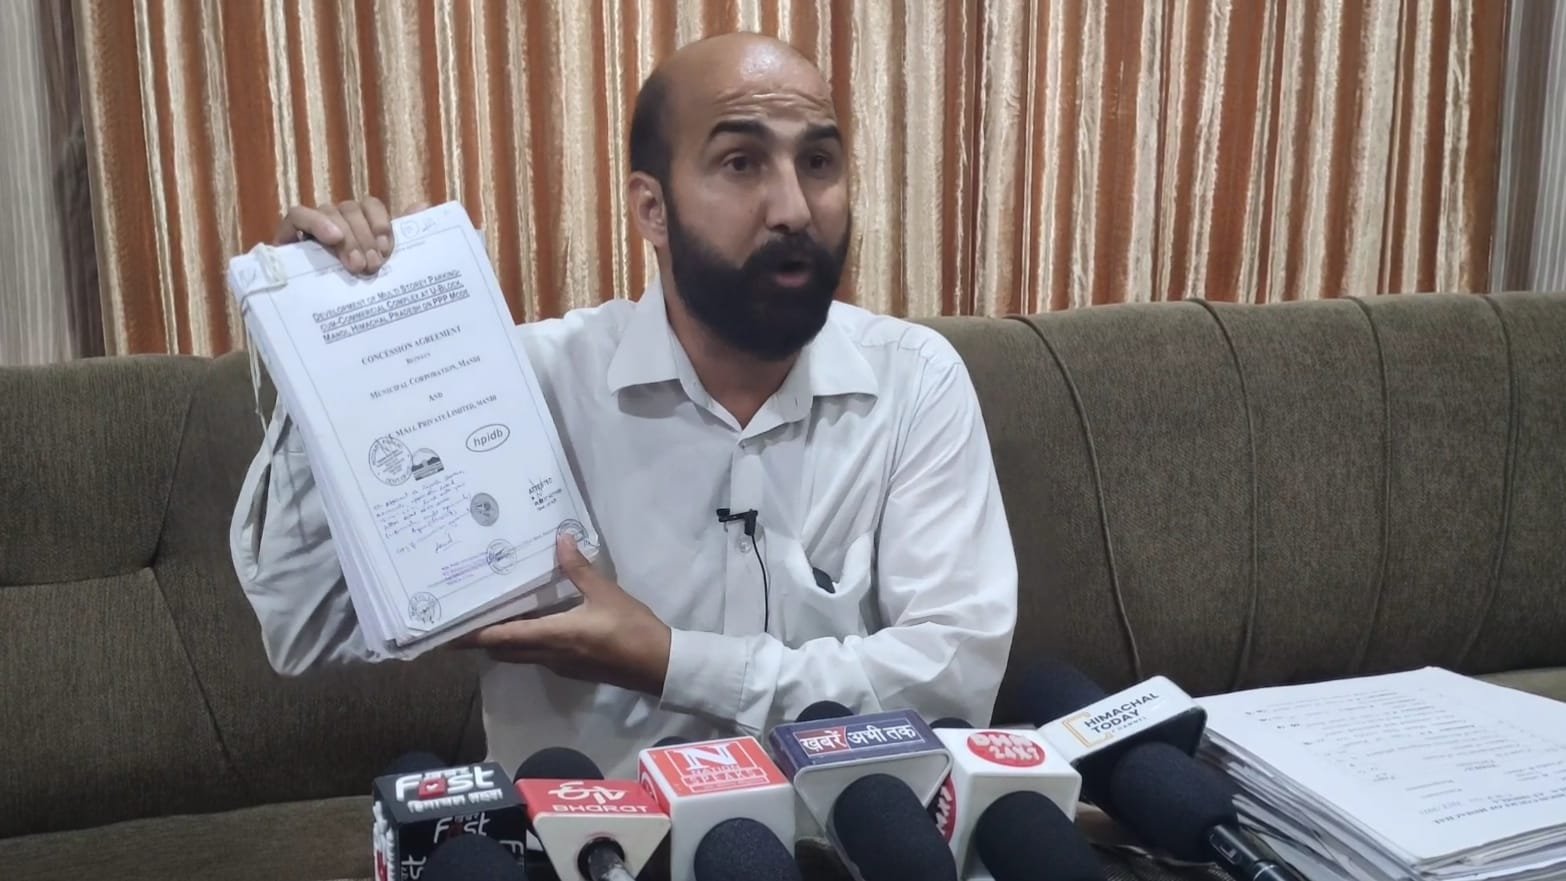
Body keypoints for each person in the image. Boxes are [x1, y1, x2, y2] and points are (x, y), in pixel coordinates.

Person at [230, 32, 1017, 779]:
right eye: (741, 162)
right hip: (595, 839)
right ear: (651, 209)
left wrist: (670, 660)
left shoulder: (914, 380)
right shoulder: (526, 385)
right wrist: (319, 358)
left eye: (818, 161)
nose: (794, 208)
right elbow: (308, 625)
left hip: (846, 832)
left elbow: (954, 676)